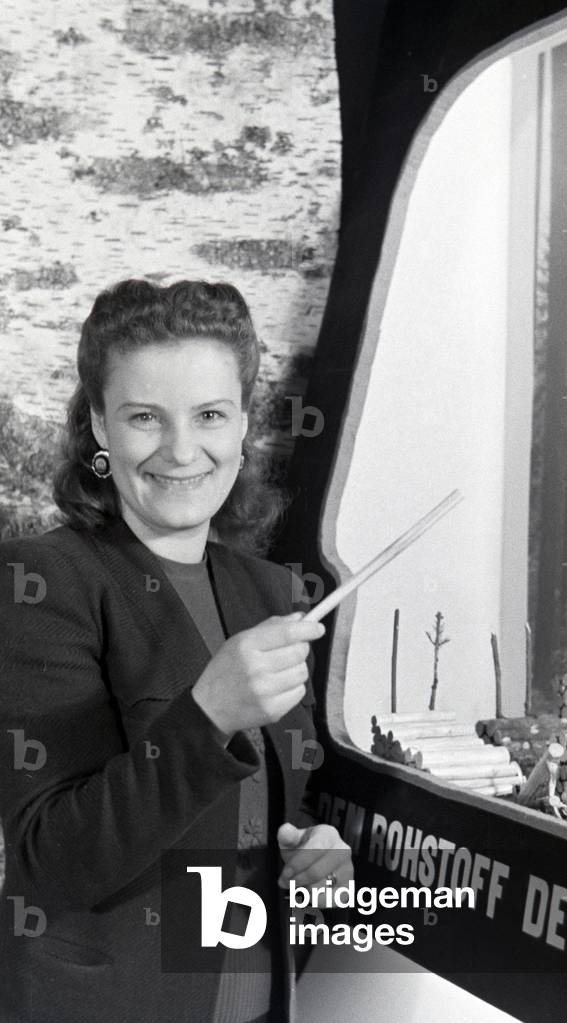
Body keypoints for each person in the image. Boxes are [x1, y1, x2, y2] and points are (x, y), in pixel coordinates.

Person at [0, 279, 353, 1023]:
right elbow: (47, 862)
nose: (182, 449)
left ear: (244, 423)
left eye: (210, 415)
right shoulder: (42, 582)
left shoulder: (272, 593)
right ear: (98, 424)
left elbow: (277, 810)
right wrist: (206, 713)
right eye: (143, 418)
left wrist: (315, 854)